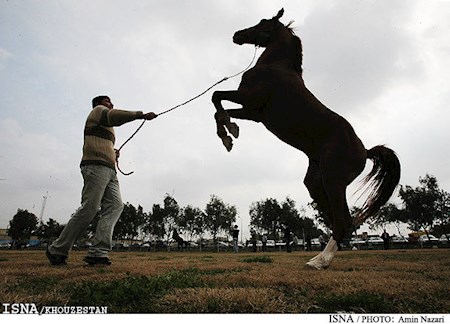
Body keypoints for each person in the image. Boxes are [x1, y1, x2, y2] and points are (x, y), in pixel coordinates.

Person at [46, 96, 157, 266]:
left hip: (109, 170)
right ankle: (57, 250)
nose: (111, 104)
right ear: (98, 104)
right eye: (107, 101)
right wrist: (140, 115)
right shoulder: (98, 111)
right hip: (96, 166)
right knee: (90, 208)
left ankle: (98, 252)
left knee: (115, 206)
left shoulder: (106, 125)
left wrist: (113, 153)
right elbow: (113, 116)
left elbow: (101, 140)